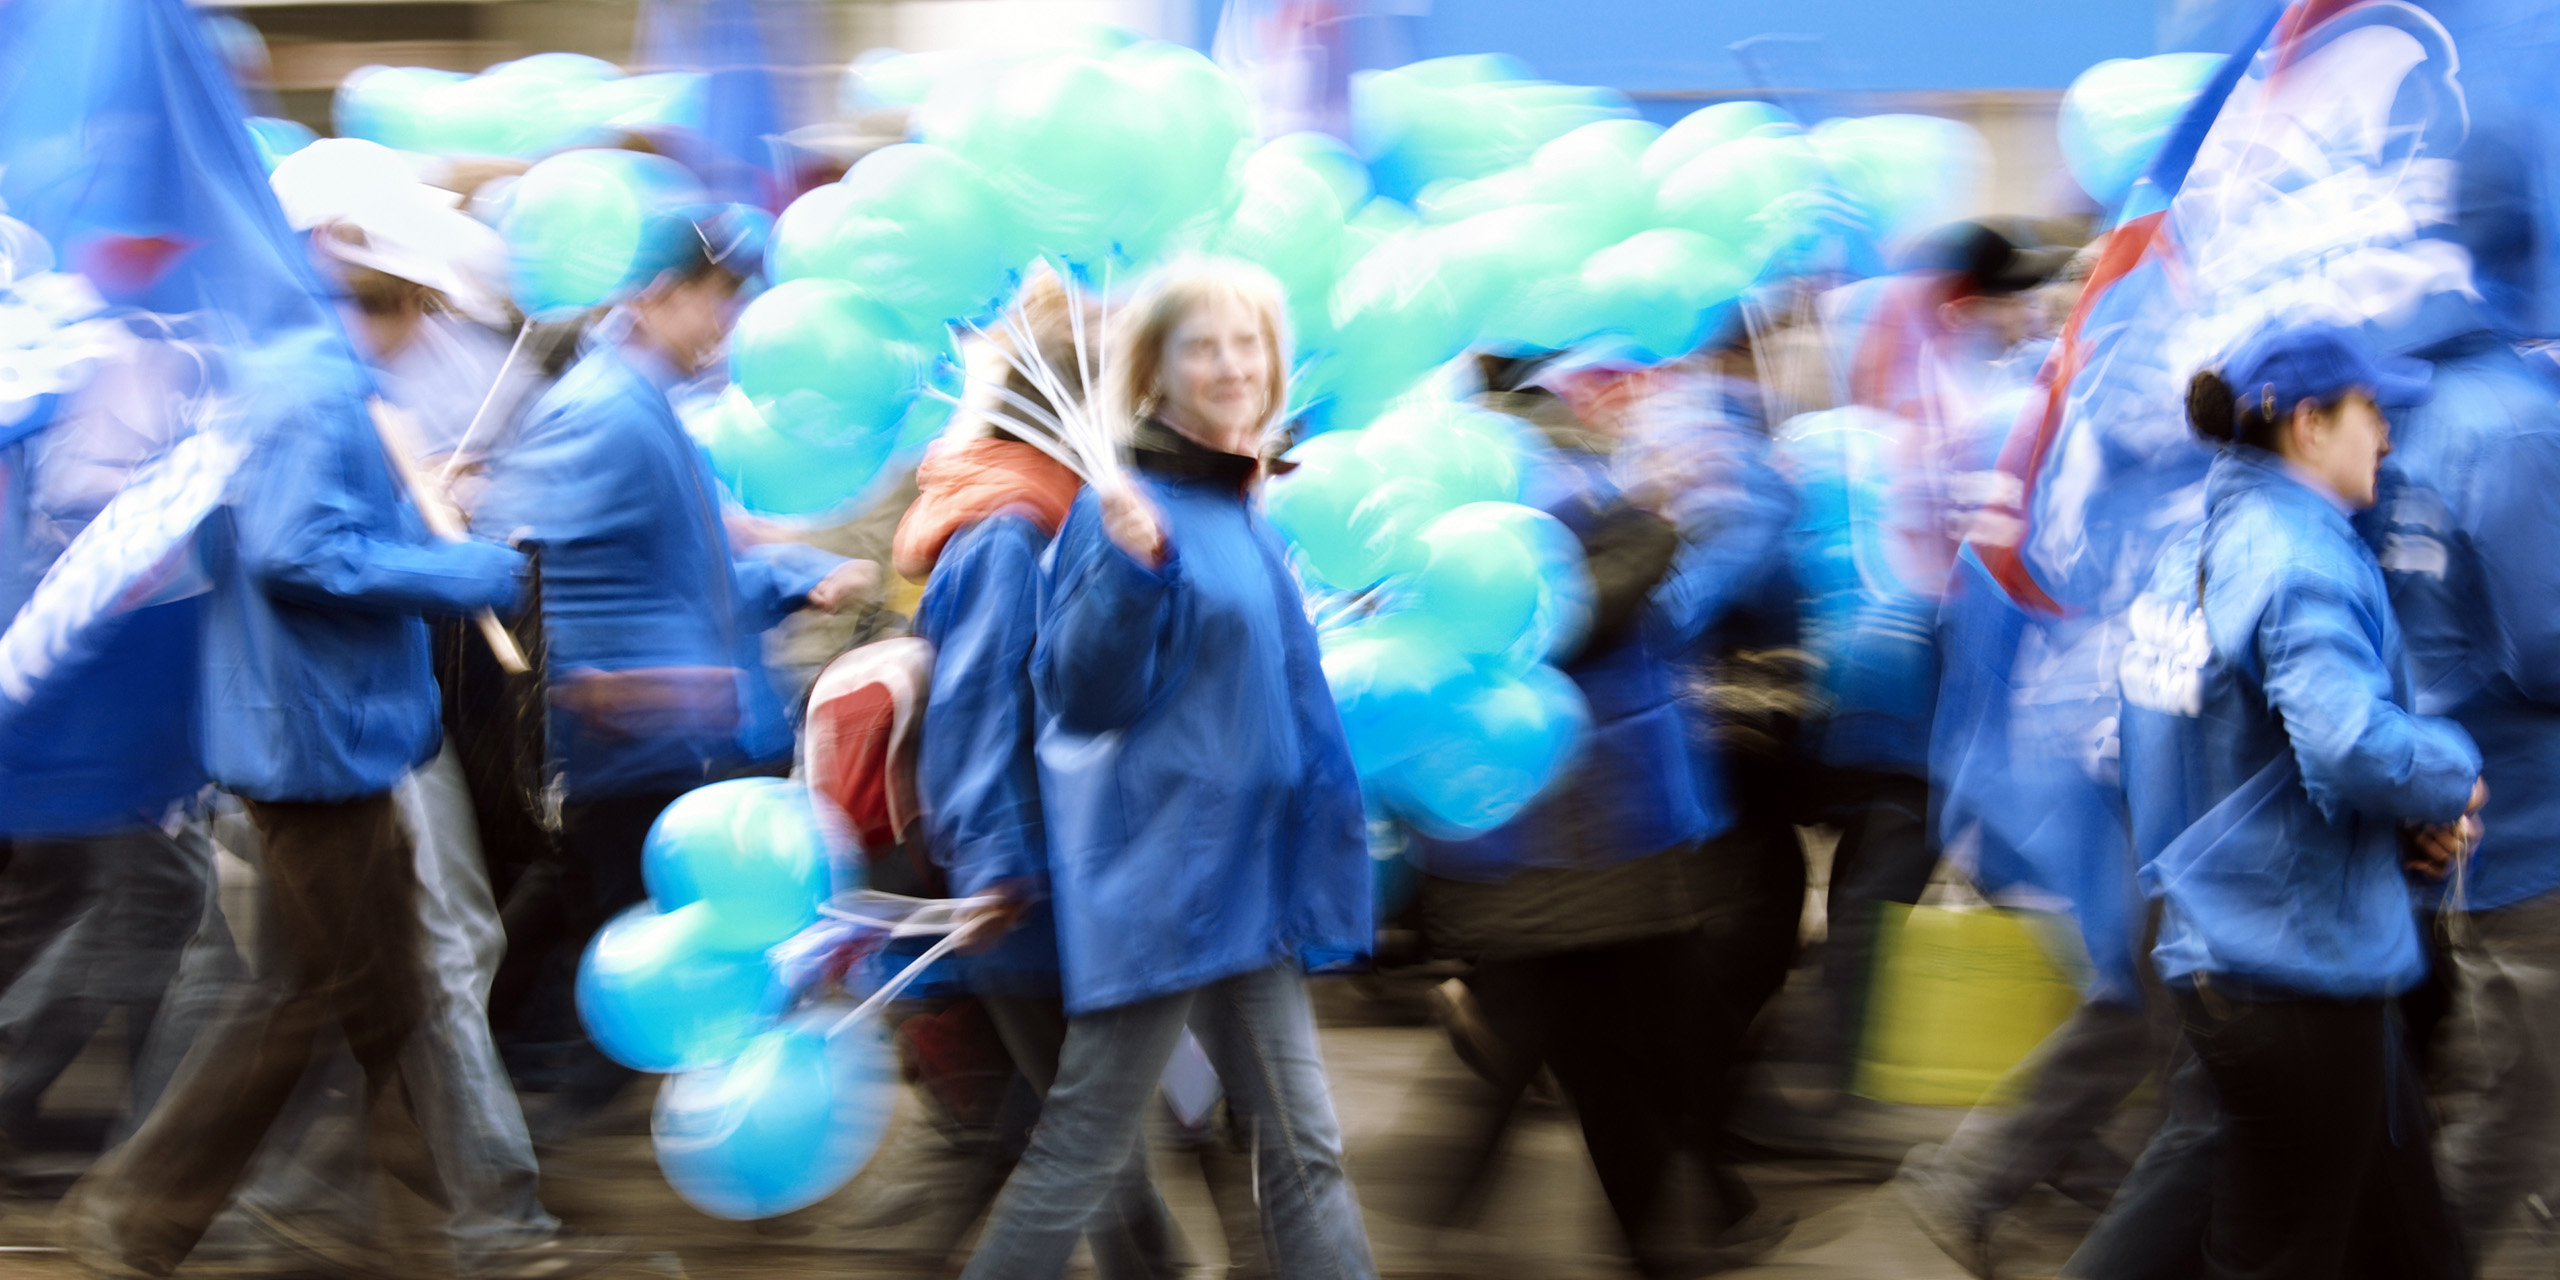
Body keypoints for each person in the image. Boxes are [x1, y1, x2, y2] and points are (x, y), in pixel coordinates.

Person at [956, 258, 1376, 1280]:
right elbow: (1081, 696)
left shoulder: (1235, 504)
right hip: (1173, 889)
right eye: (1204, 345)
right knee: (1082, 1148)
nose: (1232, 364)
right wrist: (1133, 574)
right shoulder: (1127, 512)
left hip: (1248, 882)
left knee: (1304, 1144)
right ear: (1158, 370)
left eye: (1248, 343)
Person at [471, 208, 871, 1136]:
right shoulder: (607, 412)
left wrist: (793, 578)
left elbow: (684, 571)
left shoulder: (638, 401)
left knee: (597, 936)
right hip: (643, 741)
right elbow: (524, 568)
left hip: (677, 733)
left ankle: (523, 1116)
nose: (725, 327)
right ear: (655, 300)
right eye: (711, 303)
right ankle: (521, 1132)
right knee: (613, 946)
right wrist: (603, 683)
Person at [2113, 321, 2482, 1280]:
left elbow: (2227, 751)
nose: (2389, 438)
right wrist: (2451, 770)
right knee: (2280, 1252)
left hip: (2249, 944)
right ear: (2310, 425)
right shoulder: (2300, 561)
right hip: (2294, 962)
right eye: (2373, 413)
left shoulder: (2203, 544)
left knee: (2404, 1238)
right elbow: (2348, 744)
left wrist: (2401, 828)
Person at [892, 274, 1185, 1277]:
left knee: (1061, 1119)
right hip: (1028, 884)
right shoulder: (1011, 531)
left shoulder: (1043, 512)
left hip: (1061, 872)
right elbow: (975, 712)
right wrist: (998, 867)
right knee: (1083, 1127)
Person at [2354, 293, 2560, 1263]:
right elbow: (2547, 648)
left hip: (2445, 791)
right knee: (2525, 1087)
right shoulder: (2513, 415)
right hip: (2527, 811)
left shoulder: (2405, 403)